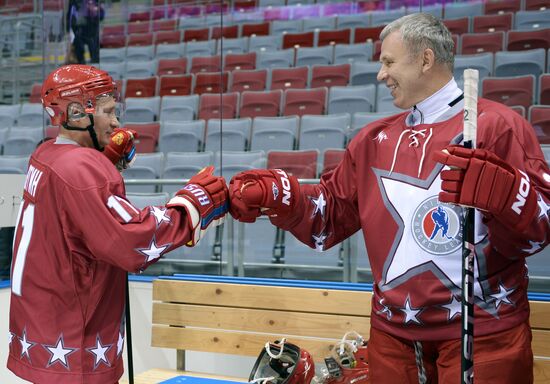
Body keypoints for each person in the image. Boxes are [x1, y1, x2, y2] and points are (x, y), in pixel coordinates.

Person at [229, 13, 550, 384]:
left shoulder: (497, 126)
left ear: (425, 60)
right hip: (392, 337)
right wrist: (281, 196)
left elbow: (540, 228)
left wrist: (507, 195)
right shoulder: (372, 140)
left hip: (483, 336)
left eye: (388, 61)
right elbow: (328, 217)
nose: (381, 74)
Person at [7, 64, 229, 384]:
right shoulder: (83, 169)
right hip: (75, 342)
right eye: (108, 111)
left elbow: (74, 219)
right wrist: (192, 206)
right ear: (75, 113)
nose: (115, 122)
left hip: (45, 331)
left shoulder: (45, 155)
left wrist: (105, 159)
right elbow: (129, 243)